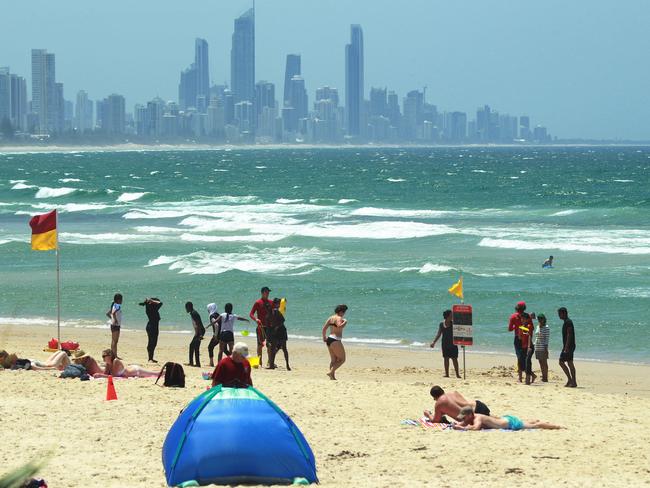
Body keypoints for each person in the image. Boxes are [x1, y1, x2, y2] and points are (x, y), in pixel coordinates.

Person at [454, 406, 562, 431]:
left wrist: (463, 428)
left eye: (464, 417)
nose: (463, 420)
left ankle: (557, 426)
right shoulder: (472, 417)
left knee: (535, 426)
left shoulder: (478, 418)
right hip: (504, 419)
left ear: (470, 415)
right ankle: (538, 419)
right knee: (529, 422)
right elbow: (465, 423)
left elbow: (475, 428)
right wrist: (458, 425)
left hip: (509, 423)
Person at [423, 385, 491, 423]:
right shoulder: (453, 393)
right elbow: (457, 407)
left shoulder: (439, 403)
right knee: (491, 418)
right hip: (480, 405)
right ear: (442, 391)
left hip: (474, 415)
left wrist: (428, 415)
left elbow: (435, 420)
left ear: (435, 397)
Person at [508, 301, 536, 383]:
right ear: (524, 308)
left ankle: (520, 377)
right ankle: (528, 375)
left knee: (519, 358)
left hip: (518, 338)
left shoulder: (513, 316)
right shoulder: (527, 317)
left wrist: (516, 327)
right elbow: (532, 329)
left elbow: (509, 329)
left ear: (516, 308)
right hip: (526, 338)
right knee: (526, 358)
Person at [430, 310, 461, 378]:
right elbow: (439, 334)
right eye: (451, 315)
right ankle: (447, 374)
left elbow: (459, 332)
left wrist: (461, 342)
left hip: (453, 344)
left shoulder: (454, 324)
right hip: (445, 344)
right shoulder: (441, 324)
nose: (452, 316)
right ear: (447, 316)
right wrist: (434, 342)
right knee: (446, 358)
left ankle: (457, 374)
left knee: (454, 359)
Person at [322, 304, 348, 380]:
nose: (344, 314)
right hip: (335, 340)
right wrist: (345, 321)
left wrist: (324, 337)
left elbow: (324, 329)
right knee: (342, 359)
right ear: (341, 312)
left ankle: (332, 376)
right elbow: (339, 326)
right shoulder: (339, 318)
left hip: (329, 339)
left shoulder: (331, 318)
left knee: (334, 360)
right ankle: (331, 372)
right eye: (344, 312)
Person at [249, 286, 273, 367]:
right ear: (262, 293)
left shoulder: (271, 302)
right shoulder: (258, 302)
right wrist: (256, 319)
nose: (268, 293)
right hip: (260, 327)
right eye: (266, 292)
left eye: (268, 292)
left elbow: (275, 313)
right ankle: (259, 363)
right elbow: (251, 314)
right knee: (260, 345)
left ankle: (270, 362)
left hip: (269, 327)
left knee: (269, 345)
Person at [267, 297, 291, 370]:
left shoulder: (276, 311)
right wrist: (268, 336)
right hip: (275, 331)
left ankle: (287, 365)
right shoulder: (269, 314)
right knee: (273, 348)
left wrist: (276, 327)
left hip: (282, 331)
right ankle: (271, 365)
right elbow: (269, 325)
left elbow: (282, 321)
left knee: (284, 348)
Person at [0, 349, 71, 371]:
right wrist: (51, 368)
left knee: (62, 352)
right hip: (45, 364)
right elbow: (33, 367)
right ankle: (71, 367)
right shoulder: (17, 363)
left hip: (42, 363)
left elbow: (32, 366)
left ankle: (70, 367)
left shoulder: (16, 363)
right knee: (62, 352)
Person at [558, 307, 577, 387]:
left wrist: (566, 347)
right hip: (570, 346)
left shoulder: (568, 322)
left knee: (561, 362)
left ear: (564, 313)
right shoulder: (567, 322)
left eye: (560, 314)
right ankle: (573, 382)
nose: (559, 316)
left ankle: (570, 380)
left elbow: (569, 334)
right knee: (570, 362)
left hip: (568, 346)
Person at [140, 297, 162, 363]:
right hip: (153, 327)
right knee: (153, 343)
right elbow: (160, 303)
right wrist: (152, 301)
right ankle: (150, 358)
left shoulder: (149, 307)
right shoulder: (153, 308)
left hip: (150, 326)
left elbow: (159, 303)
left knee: (151, 342)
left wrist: (150, 301)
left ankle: (150, 358)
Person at [185, 301, 205, 368]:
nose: (186, 309)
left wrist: (200, 335)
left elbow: (198, 324)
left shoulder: (194, 313)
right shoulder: (192, 313)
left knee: (192, 345)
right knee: (195, 347)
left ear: (189, 307)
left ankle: (192, 363)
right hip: (199, 331)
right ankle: (197, 363)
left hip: (200, 331)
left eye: (186, 307)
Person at [535, 313, 550, 382]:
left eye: (541, 319)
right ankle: (543, 376)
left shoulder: (546, 327)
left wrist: (546, 349)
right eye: (539, 319)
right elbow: (536, 336)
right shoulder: (538, 326)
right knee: (540, 362)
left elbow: (547, 339)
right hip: (537, 346)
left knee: (544, 362)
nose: (540, 320)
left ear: (544, 319)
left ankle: (545, 377)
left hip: (543, 347)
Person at [107, 293, 123, 359]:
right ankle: (115, 356)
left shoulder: (114, 305)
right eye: (121, 299)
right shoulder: (117, 305)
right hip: (116, 325)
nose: (122, 301)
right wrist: (115, 320)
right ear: (118, 300)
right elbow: (113, 313)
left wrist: (112, 319)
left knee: (114, 341)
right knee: (115, 341)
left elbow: (108, 314)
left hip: (113, 325)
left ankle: (114, 355)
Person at [206, 303, 220, 367]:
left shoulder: (212, 316)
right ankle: (233, 361)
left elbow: (216, 325)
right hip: (222, 334)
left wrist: (215, 335)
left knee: (210, 347)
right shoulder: (218, 314)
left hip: (217, 335)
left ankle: (211, 363)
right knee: (225, 350)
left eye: (208, 309)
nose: (208, 311)